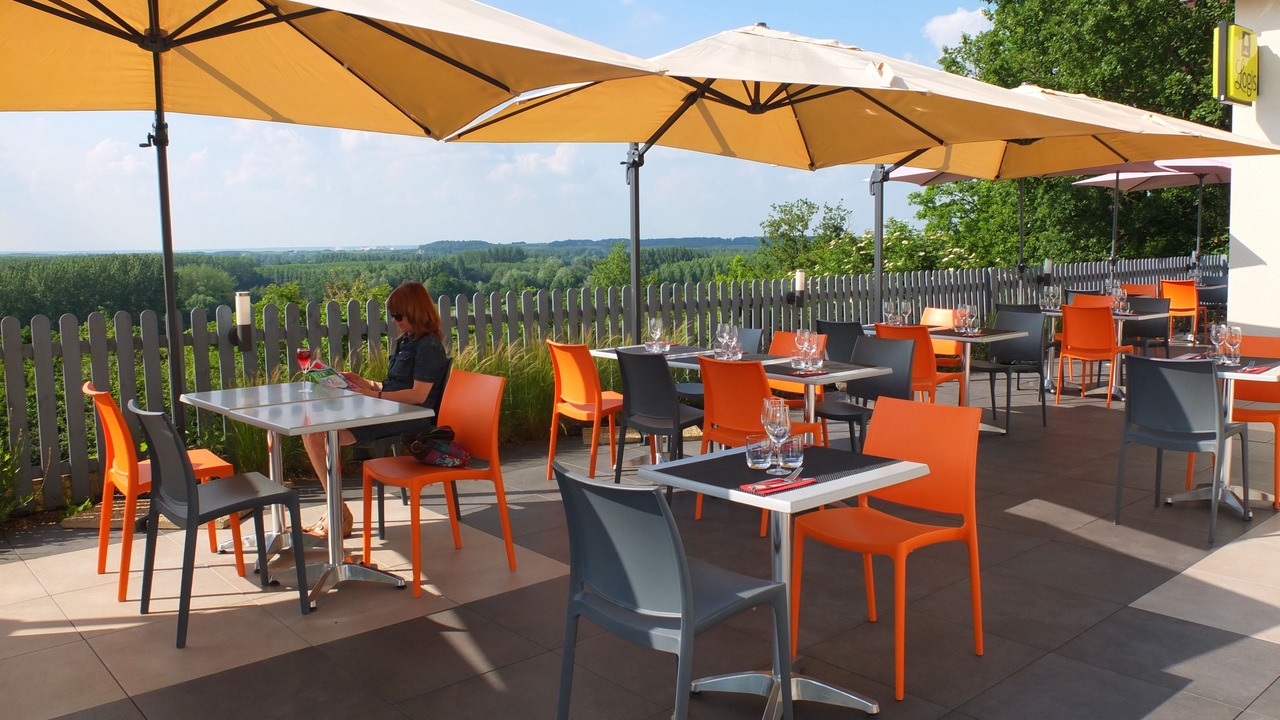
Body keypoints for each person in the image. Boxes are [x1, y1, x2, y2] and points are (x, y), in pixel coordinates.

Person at [301, 281, 450, 538]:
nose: (394, 320)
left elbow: (417, 396)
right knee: (313, 431)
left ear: (415, 312)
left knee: (318, 433)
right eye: (392, 315)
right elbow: (395, 386)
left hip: (411, 417)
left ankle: (337, 514)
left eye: (398, 315)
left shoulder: (429, 347)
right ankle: (336, 510)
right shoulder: (407, 341)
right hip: (390, 408)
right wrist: (364, 382)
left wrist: (372, 394)